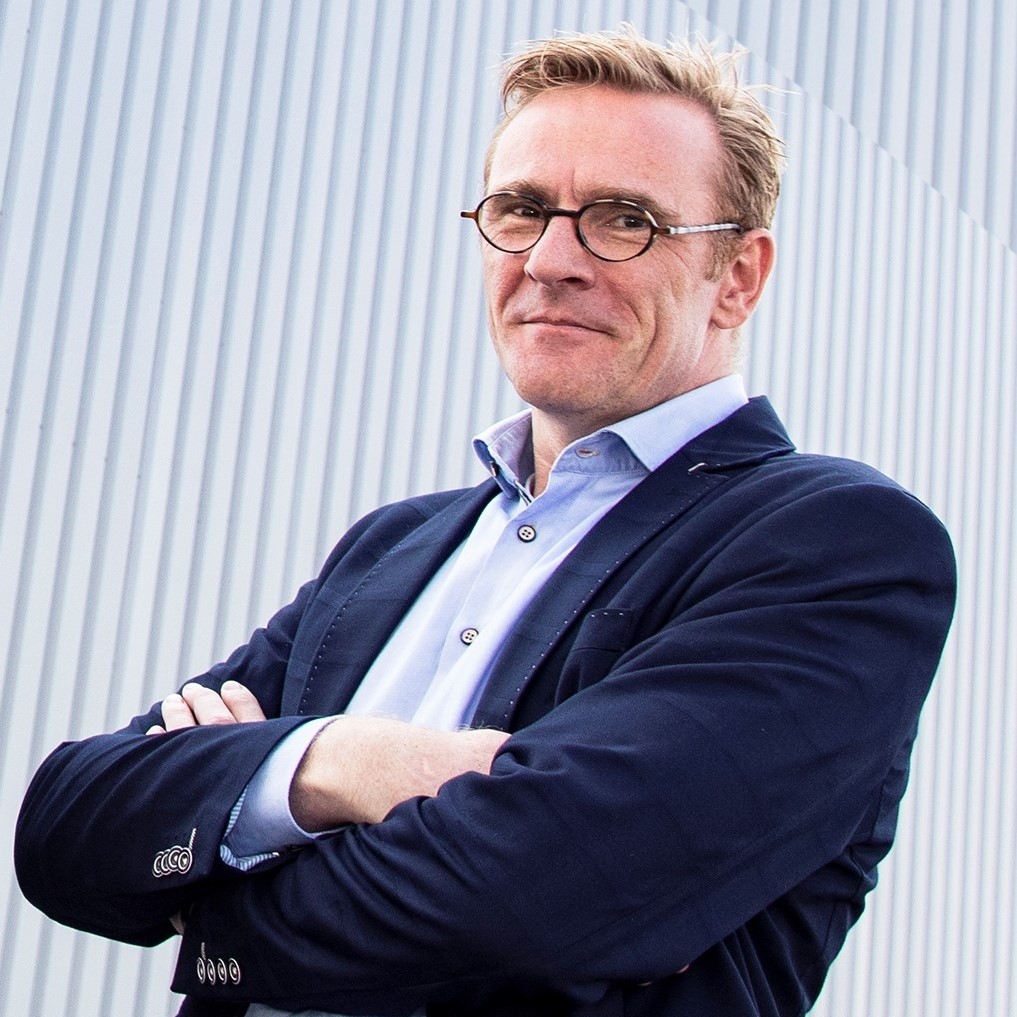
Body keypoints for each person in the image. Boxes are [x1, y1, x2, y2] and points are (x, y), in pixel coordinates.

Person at [15, 27, 955, 1017]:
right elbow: (65, 830)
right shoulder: (391, 549)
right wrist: (340, 763)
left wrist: (222, 873)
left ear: (739, 277)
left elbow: (539, 895)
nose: (550, 260)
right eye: (521, 209)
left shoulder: (836, 545)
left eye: (625, 220)